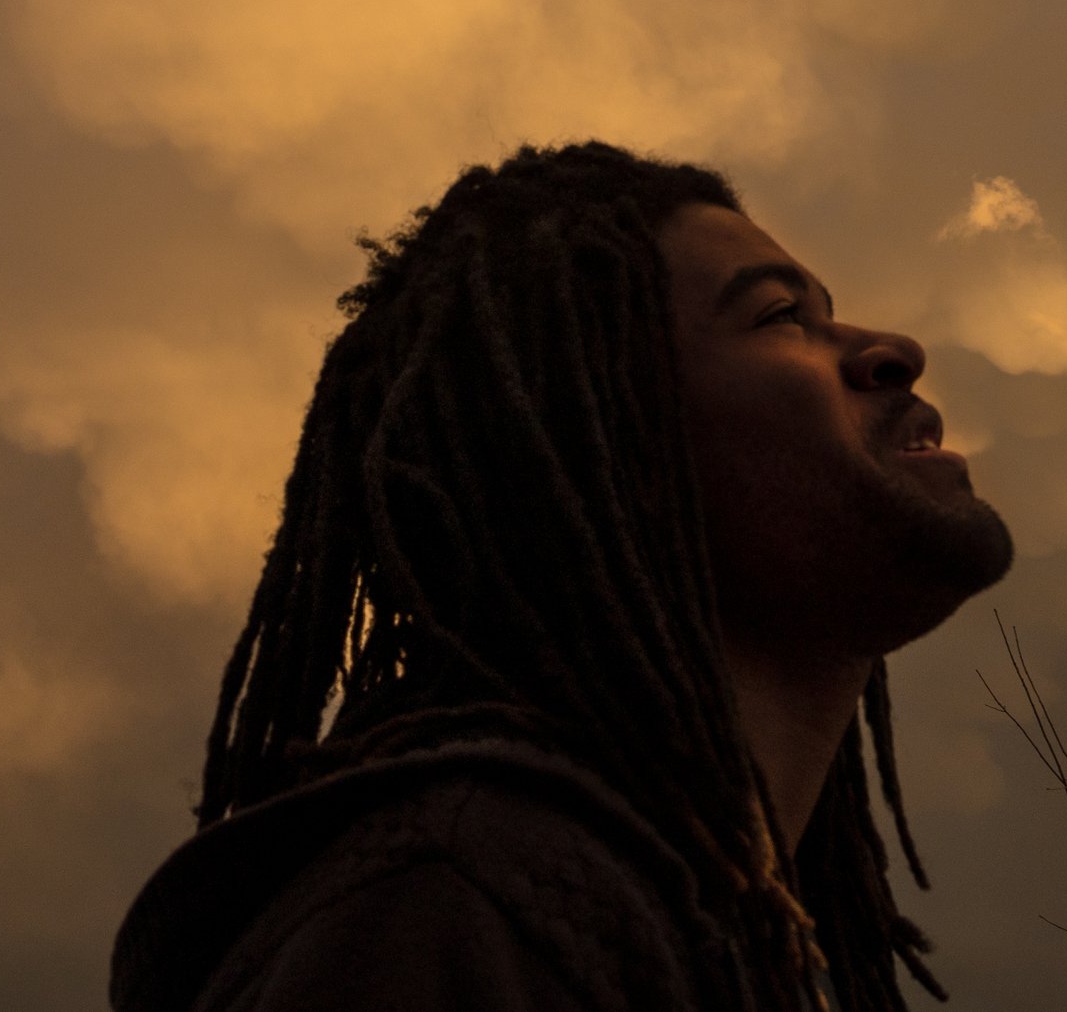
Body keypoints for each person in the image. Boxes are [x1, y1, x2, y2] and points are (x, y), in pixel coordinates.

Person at [110, 142, 1016, 1012]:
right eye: (782, 316)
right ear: (612, 445)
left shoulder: (721, 938)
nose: (891, 347)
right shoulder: (448, 910)